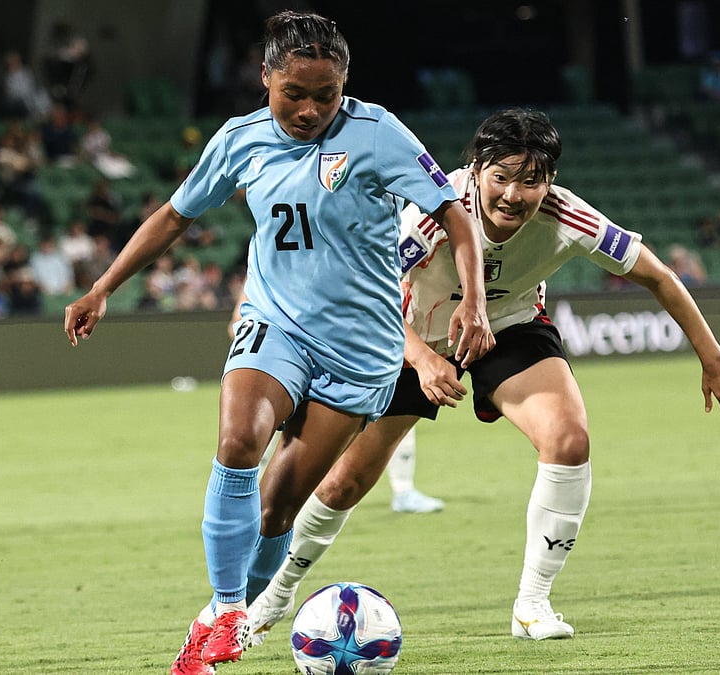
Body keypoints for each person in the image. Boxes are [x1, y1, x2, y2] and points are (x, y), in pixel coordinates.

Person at [60, 12, 493, 675]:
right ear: (265, 77)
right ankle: (232, 609)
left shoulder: (379, 135)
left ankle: (215, 616)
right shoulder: (240, 140)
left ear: (345, 83)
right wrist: (103, 285)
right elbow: (176, 214)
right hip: (275, 322)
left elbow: (452, 214)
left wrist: (474, 299)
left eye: (328, 94)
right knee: (238, 441)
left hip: (361, 347)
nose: (312, 108)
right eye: (295, 92)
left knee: (277, 505)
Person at [244, 108, 720, 648]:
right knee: (344, 481)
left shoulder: (568, 217)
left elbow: (659, 275)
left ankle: (533, 603)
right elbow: (366, 296)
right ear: (476, 171)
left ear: (549, 182)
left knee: (569, 439)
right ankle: (276, 594)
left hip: (507, 326)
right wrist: (422, 359)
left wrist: (712, 357)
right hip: (403, 330)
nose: (514, 194)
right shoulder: (430, 211)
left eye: (531, 181)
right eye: (502, 177)